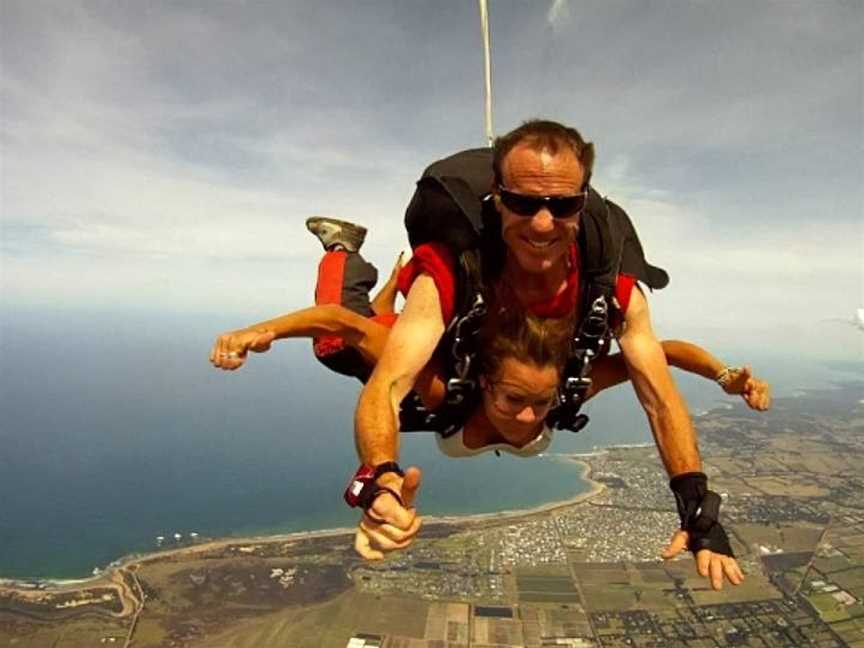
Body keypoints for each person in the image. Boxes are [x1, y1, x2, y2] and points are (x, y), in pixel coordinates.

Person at [350, 119, 744, 590]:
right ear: (496, 197)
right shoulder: (454, 269)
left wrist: (696, 505)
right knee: (337, 349)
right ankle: (344, 253)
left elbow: (658, 394)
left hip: (515, 380)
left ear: (582, 203)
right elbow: (389, 384)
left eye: (563, 205)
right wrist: (381, 478)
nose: (542, 223)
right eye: (522, 202)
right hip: (474, 377)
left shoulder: (611, 287)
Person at [210, 220, 770, 458]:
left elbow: (656, 354)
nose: (529, 418)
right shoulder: (436, 384)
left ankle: (386, 301)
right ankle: (343, 249)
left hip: (451, 349)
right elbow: (337, 321)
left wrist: (725, 375)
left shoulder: (564, 390)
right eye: (515, 401)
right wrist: (259, 332)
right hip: (417, 352)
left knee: (363, 335)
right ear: (483, 384)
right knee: (338, 349)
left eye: (539, 403)